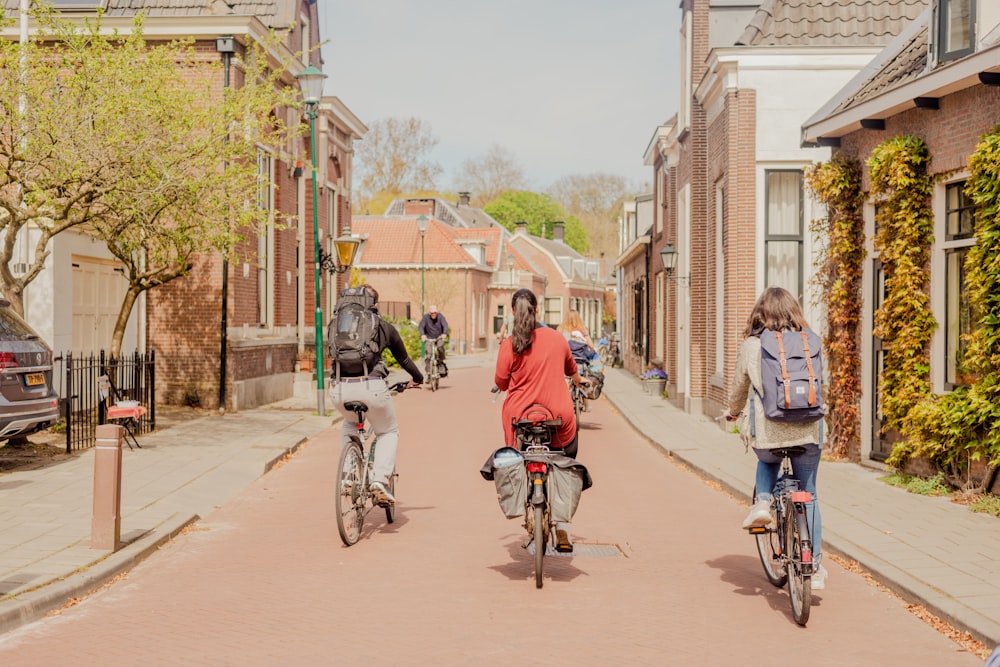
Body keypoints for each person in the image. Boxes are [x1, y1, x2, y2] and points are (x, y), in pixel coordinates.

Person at [725, 286, 827, 589]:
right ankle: (816, 567)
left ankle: (763, 502)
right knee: (810, 494)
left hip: (769, 430)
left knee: (766, 456)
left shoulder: (752, 346)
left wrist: (733, 411)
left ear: (760, 313)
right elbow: (822, 383)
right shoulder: (812, 342)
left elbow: (739, 389)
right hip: (809, 429)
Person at [495, 288, 590, 551]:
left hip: (519, 421)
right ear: (538, 309)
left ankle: (525, 498)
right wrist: (581, 381)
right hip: (558, 418)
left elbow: (501, 382)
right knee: (567, 457)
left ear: (513, 312)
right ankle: (562, 526)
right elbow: (572, 369)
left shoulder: (509, 344)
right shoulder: (557, 339)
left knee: (517, 456)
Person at [328, 284, 423, 505]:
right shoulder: (381, 326)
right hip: (371, 387)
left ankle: (349, 474)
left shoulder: (337, 324)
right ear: (374, 304)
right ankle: (379, 479)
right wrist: (418, 378)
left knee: (350, 423)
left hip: (339, 388)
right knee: (388, 431)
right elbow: (404, 360)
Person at [418, 304, 449, 375]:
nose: (434, 314)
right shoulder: (425, 318)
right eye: (432, 313)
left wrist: (444, 333)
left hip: (439, 337)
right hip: (429, 338)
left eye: (435, 313)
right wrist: (422, 334)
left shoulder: (440, 317)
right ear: (429, 313)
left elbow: (445, 325)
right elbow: (421, 326)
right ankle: (428, 370)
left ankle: (440, 362)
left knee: (440, 347)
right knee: (429, 354)